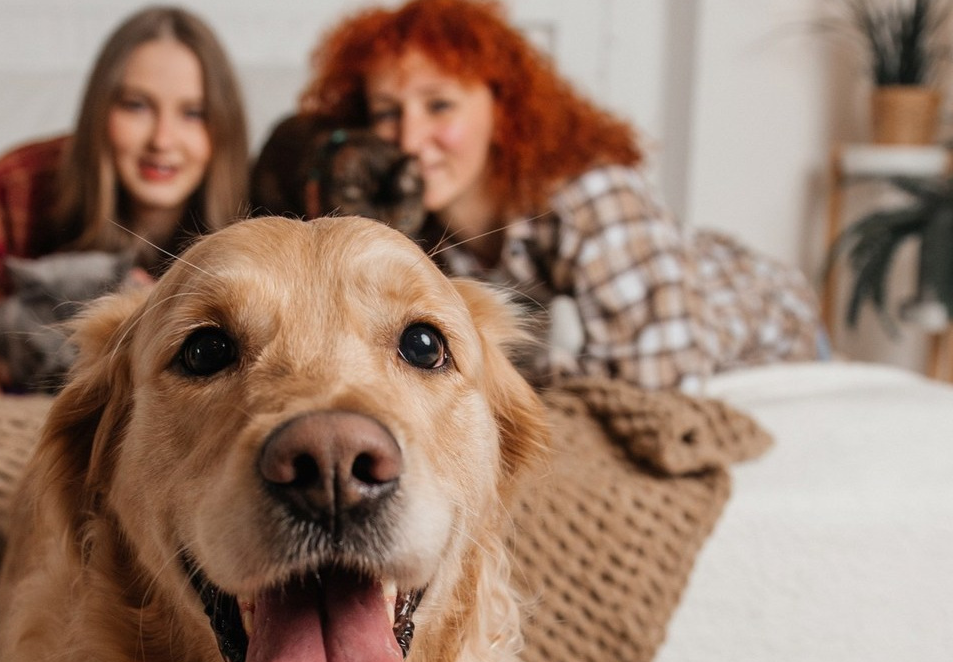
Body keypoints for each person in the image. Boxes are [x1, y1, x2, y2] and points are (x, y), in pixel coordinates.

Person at [296, 0, 821, 391]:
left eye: (439, 106)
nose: (409, 140)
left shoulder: (592, 194)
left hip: (767, 327)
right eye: (388, 113)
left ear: (501, 109)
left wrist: (547, 383)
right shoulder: (415, 229)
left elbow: (660, 379)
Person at [0, 6, 249, 395]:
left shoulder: (257, 201)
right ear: (98, 112)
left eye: (194, 113)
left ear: (225, 129)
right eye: (136, 106)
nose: (163, 140)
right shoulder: (6, 192)